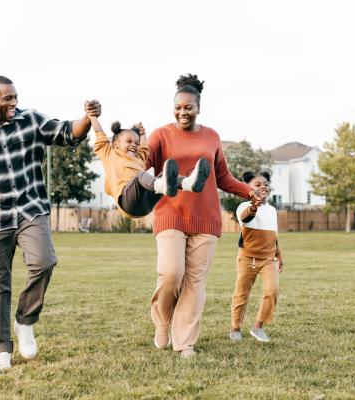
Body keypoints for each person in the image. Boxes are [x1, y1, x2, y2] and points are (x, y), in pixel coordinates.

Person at [0, 75, 101, 371]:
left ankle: (25, 321)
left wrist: (87, 118)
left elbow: (68, 133)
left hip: (30, 208)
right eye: (7, 99)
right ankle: (1, 348)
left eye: (16, 97)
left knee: (44, 262)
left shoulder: (30, 120)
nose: (14, 103)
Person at [146, 73, 260, 358]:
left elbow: (223, 177)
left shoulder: (211, 136)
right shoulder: (160, 135)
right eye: (179, 107)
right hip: (170, 214)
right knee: (171, 274)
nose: (183, 112)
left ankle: (184, 342)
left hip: (206, 219)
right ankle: (162, 321)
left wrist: (250, 192)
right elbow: (142, 168)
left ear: (199, 108)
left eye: (189, 107)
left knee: (195, 284)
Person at [91, 117, 210, 218]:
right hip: (127, 203)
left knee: (164, 175)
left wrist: (142, 133)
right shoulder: (110, 154)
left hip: (146, 205)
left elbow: (144, 149)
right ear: (115, 144)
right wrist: (92, 116)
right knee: (140, 176)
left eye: (136, 143)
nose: (134, 145)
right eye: (129, 141)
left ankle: (189, 183)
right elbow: (100, 135)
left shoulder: (139, 159)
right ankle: (161, 185)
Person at [229, 171, 283, 343]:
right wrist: (254, 205)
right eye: (257, 185)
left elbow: (274, 233)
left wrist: (279, 254)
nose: (263, 187)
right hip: (247, 258)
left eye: (265, 184)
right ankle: (235, 328)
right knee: (241, 294)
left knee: (272, 290)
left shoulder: (273, 210)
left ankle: (258, 327)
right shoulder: (243, 207)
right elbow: (246, 217)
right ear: (249, 188)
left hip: (269, 259)